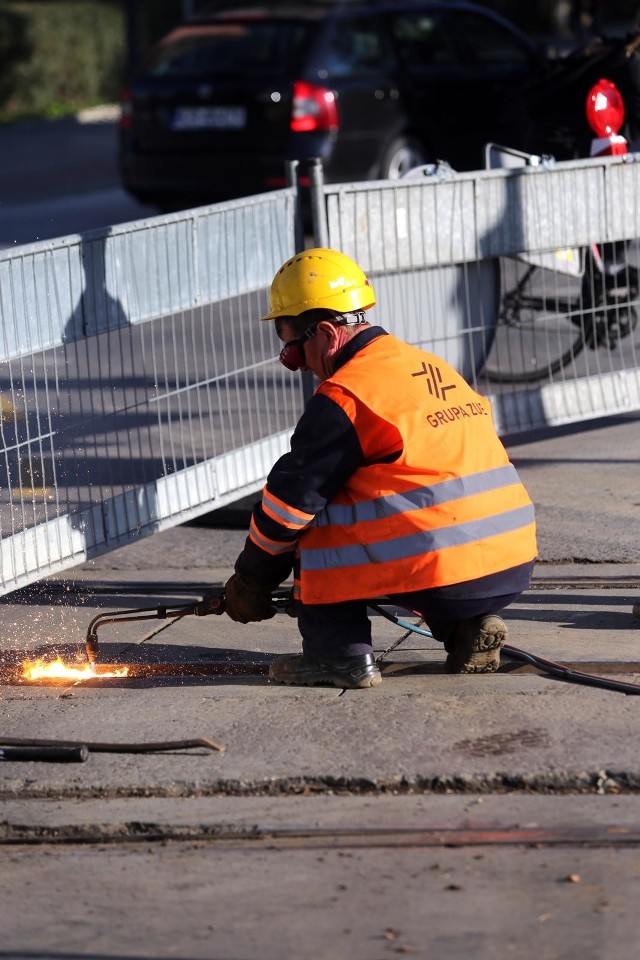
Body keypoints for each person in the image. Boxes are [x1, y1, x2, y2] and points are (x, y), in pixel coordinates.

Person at [224, 248, 537, 689]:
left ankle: (338, 656)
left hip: (446, 570)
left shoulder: (347, 397)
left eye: (295, 350)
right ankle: (465, 628)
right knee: (400, 507)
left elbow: (287, 506)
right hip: (509, 562)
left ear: (329, 333)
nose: (299, 365)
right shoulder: (427, 365)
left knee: (318, 515)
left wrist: (252, 579)